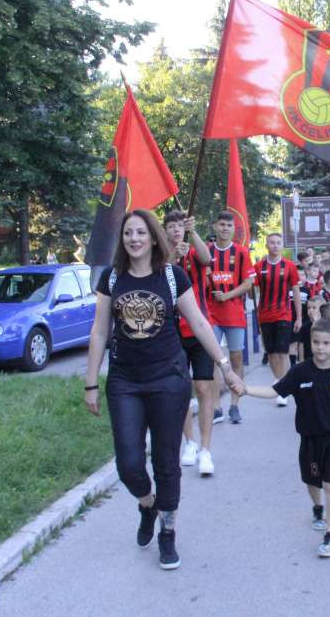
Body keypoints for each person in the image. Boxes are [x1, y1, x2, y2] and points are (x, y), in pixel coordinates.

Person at [84, 209, 244, 570]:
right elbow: (99, 332)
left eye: (141, 232)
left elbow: (200, 323)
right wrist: (91, 382)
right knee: (129, 464)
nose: (135, 238)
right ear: (122, 240)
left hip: (168, 379)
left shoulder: (173, 277)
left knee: (166, 462)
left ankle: (168, 531)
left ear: (154, 237)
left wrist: (226, 369)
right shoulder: (112, 279)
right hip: (125, 381)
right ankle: (147, 504)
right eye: (128, 233)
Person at [240, 318, 330, 557]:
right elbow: (275, 391)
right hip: (308, 437)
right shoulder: (300, 371)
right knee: (311, 481)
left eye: (326, 343)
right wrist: (246, 389)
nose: (320, 347)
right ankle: (318, 507)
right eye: (316, 342)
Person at [163, 211, 218, 476]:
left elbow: (208, 259)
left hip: (200, 329)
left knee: (204, 388)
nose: (175, 230)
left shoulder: (194, 250)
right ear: (164, 230)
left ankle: (206, 449)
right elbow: (159, 274)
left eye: (179, 226)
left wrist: (193, 233)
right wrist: (174, 255)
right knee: (181, 388)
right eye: (171, 226)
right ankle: (190, 442)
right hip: (172, 333)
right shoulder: (159, 255)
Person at [207, 211, 256, 424]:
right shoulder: (206, 251)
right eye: (222, 224)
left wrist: (227, 295)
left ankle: (235, 406)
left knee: (236, 359)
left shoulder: (242, 253)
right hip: (210, 315)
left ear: (233, 229)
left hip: (235, 314)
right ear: (215, 226)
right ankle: (216, 406)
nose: (225, 228)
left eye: (229, 225)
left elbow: (248, 283)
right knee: (212, 360)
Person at [254, 233, 303, 407]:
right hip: (265, 315)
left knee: (283, 352)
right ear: (267, 245)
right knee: (272, 352)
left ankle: (283, 389)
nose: (275, 245)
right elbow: (252, 289)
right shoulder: (259, 266)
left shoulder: (289, 265)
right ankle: (278, 380)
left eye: (278, 242)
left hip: (284, 314)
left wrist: (299, 317)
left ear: (282, 245)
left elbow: (296, 291)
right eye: (272, 242)